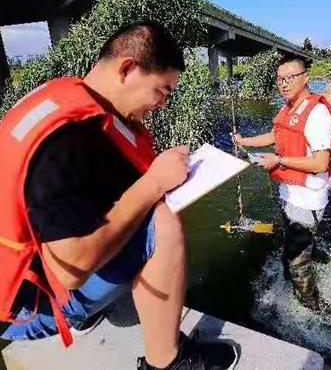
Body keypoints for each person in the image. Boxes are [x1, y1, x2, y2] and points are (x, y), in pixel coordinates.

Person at [0, 21, 238, 370]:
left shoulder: (66, 96)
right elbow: (72, 269)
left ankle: (90, 317)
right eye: (162, 92)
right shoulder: (67, 142)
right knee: (161, 224)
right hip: (24, 308)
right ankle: (166, 363)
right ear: (127, 68)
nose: (161, 105)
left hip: (21, 275)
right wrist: (153, 183)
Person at [231, 57, 331, 309]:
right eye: (280, 79)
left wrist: (278, 160)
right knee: (292, 252)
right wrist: (245, 141)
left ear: (305, 77)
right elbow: (277, 134)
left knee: (298, 266)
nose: (283, 84)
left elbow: (319, 163)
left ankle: (315, 313)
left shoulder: (316, 113)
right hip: (289, 194)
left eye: (290, 78)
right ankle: (299, 285)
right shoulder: (288, 108)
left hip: (307, 200)